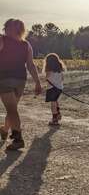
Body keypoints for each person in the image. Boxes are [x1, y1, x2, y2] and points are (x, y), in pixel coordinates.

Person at [0, 19, 42, 150]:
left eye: (6, 27)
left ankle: (18, 139)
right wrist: (37, 82)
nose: (4, 29)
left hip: (5, 78)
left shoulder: (2, 40)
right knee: (12, 109)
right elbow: (30, 64)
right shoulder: (26, 44)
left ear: (9, 28)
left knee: (12, 109)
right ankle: (4, 130)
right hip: (20, 81)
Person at [43, 53, 66, 126]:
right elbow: (62, 79)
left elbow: (47, 78)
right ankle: (58, 113)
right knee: (55, 101)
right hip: (59, 88)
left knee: (53, 103)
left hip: (51, 88)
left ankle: (54, 119)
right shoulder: (60, 70)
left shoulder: (49, 70)